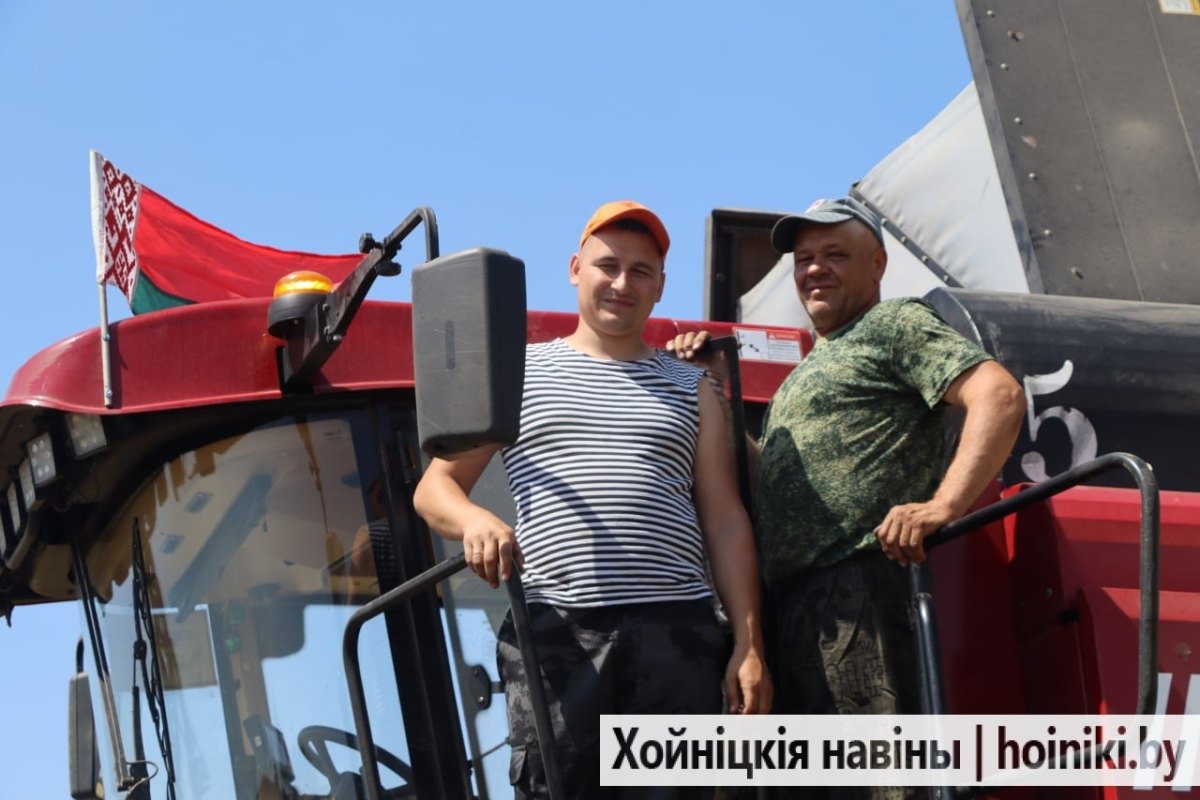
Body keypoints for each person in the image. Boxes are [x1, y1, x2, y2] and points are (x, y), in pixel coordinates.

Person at [414, 200, 771, 799]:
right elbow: (435, 488)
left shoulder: (693, 388)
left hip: (675, 635)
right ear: (576, 269)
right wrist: (475, 521)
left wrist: (749, 644)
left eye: (640, 271)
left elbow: (726, 522)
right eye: (608, 266)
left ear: (660, 287)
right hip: (559, 636)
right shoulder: (516, 376)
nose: (622, 283)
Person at [670, 197, 1024, 796]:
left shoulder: (894, 324)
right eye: (804, 259)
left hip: (860, 594)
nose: (814, 269)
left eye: (834, 255)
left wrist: (942, 506)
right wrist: (715, 394)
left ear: (878, 263)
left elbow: (1000, 395)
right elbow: (766, 484)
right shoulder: (805, 375)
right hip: (792, 611)